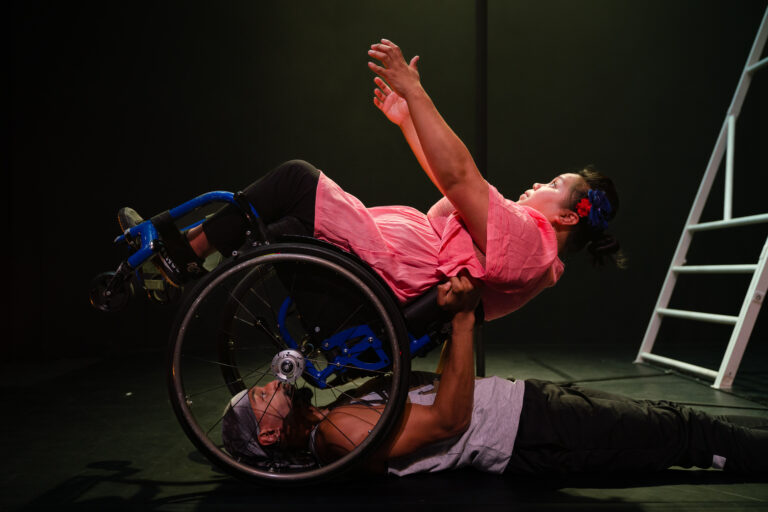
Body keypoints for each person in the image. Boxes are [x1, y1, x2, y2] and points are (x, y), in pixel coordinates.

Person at [119, 39, 624, 322]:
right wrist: (409, 120)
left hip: (388, 270)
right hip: (389, 257)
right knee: (289, 215)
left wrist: (417, 94)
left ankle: (179, 258)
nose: (539, 182)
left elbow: (460, 174)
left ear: (565, 215)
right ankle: (183, 259)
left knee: (296, 178)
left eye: (554, 183)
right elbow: (455, 187)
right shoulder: (524, 237)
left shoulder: (531, 244)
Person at [221, 275, 768, 476]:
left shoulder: (339, 407)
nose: (271, 385)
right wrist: (462, 320)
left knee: (674, 422)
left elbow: (426, 388)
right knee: (682, 433)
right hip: (534, 435)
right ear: (268, 434)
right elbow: (449, 420)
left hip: (526, 406)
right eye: (262, 397)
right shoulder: (336, 434)